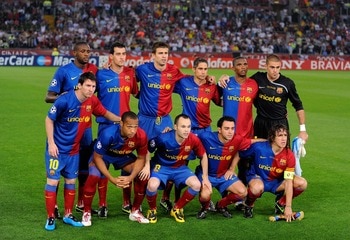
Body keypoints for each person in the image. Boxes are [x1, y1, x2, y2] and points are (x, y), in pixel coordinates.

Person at [44, 72, 121, 231]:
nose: (91, 89)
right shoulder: (64, 100)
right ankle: (50, 217)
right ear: (79, 85)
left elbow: (105, 113)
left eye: (93, 86)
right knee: (52, 181)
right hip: (57, 150)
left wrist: (123, 120)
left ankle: (68, 215)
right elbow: (49, 119)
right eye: (88, 85)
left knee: (71, 181)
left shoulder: (92, 100)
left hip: (74, 150)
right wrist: (51, 143)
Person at [44, 42, 99, 218]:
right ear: (74, 52)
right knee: (58, 169)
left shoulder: (93, 70)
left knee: (82, 164)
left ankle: (80, 202)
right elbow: (48, 96)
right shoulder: (64, 71)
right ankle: (56, 207)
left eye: (88, 51)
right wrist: (66, 97)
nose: (86, 54)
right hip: (66, 126)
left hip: (85, 126)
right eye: (82, 51)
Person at [159, 57, 221, 211]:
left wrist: (221, 80)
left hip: (206, 131)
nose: (203, 72)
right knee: (179, 164)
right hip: (187, 130)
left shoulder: (211, 86)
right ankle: (170, 198)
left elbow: (220, 102)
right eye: (200, 69)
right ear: (194, 69)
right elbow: (166, 84)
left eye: (205, 69)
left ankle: (206, 199)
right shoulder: (184, 82)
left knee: (208, 164)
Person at [82, 111, 149, 226]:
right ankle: (86, 212)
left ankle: (135, 211)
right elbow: (97, 158)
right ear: (121, 124)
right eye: (129, 126)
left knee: (142, 175)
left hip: (123, 156)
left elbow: (141, 158)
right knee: (94, 175)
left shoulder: (141, 135)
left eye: (135, 126)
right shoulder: (108, 134)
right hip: (104, 156)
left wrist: (131, 177)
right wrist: (111, 179)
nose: (133, 130)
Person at [95, 41, 139, 216]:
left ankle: (126, 202)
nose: (122, 57)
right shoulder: (100, 75)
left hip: (126, 128)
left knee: (126, 160)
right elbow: (90, 94)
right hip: (106, 126)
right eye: (118, 54)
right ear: (111, 57)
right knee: (102, 165)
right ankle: (102, 204)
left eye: (124, 54)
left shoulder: (130, 73)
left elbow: (136, 92)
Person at [145, 114, 211, 223]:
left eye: (188, 127)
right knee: (152, 185)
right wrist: (147, 166)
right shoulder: (163, 138)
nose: (186, 130)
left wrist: (205, 177)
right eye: (183, 126)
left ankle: (177, 208)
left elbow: (203, 155)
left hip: (180, 168)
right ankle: (152, 210)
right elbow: (148, 149)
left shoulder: (193, 139)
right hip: (161, 167)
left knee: (196, 185)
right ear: (175, 127)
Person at [195, 116, 265, 219]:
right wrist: (171, 131)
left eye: (232, 128)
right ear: (219, 129)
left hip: (224, 175)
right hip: (206, 175)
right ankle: (205, 208)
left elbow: (251, 143)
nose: (230, 132)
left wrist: (232, 168)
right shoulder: (206, 137)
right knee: (205, 195)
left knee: (243, 192)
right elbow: (188, 135)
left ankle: (221, 205)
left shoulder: (237, 139)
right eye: (226, 128)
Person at [240, 124, 307, 221]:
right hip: (257, 178)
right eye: (280, 135)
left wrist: (288, 207)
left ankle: (281, 203)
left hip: (276, 182)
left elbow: (288, 181)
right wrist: (231, 169)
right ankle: (248, 205)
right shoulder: (259, 147)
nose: (283, 138)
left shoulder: (289, 155)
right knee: (256, 188)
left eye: (285, 135)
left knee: (302, 183)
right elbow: (240, 153)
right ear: (272, 137)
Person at [218, 57, 259, 185]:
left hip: (246, 133)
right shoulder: (226, 83)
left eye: (245, 64)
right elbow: (214, 98)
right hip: (228, 134)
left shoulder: (254, 84)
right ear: (233, 68)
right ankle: (225, 197)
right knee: (224, 167)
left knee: (244, 166)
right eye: (239, 64)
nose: (243, 67)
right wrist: (219, 79)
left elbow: (262, 103)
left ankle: (241, 199)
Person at [135, 41, 186, 140]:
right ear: (153, 55)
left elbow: (189, 81)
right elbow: (128, 78)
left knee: (168, 150)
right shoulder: (143, 69)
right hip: (145, 119)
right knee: (144, 151)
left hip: (165, 119)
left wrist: (207, 77)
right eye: (160, 53)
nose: (164, 56)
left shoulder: (174, 70)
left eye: (166, 53)